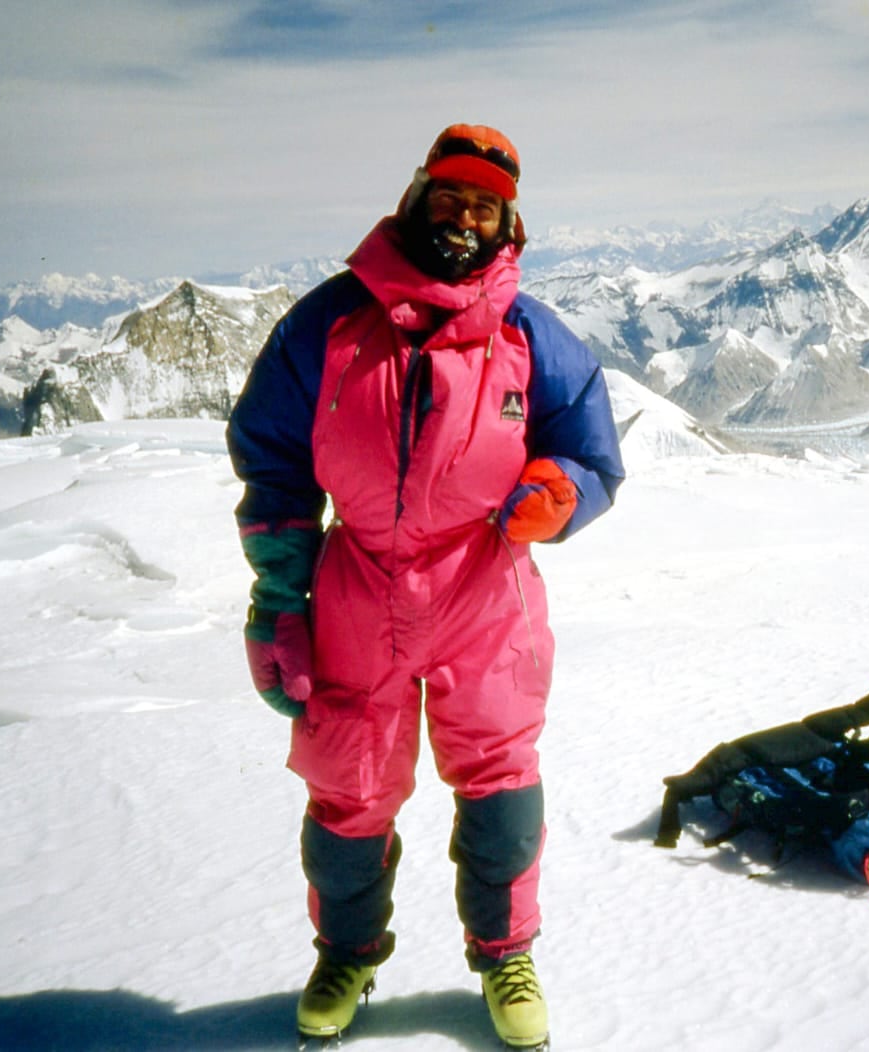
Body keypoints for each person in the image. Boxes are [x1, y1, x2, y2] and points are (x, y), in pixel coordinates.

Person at [225, 123, 624, 1050]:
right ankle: (347, 952)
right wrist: (279, 599)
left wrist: (561, 495)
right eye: (449, 195)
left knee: (498, 778)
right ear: (416, 198)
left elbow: (592, 454)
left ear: (507, 223)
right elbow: (273, 463)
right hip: (358, 583)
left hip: (485, 589)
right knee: (348, 784)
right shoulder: (329, 322)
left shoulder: (530, 334)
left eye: (484, 204)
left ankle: (506, 950)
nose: (464, 215)